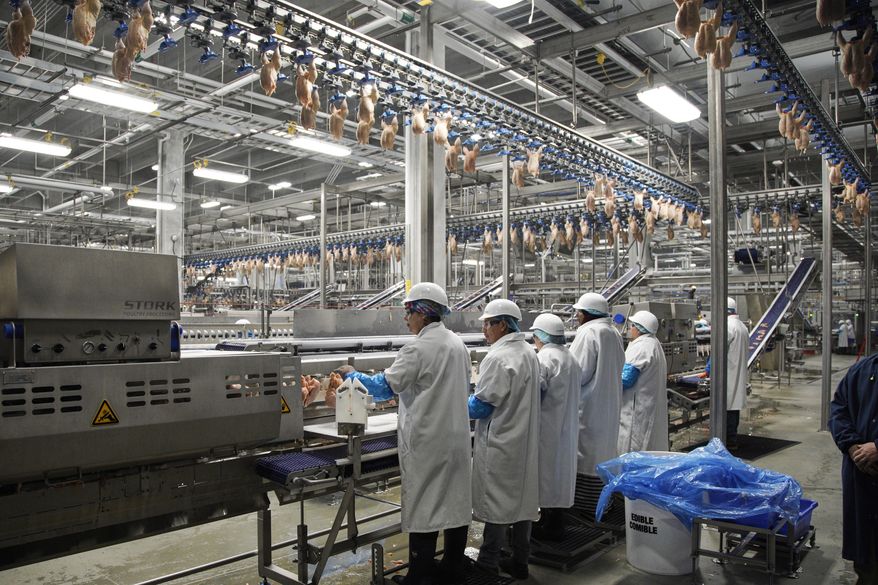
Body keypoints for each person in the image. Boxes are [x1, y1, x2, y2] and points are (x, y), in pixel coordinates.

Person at [334, 283, 472, 585]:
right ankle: (452, 568)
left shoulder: (418, 348)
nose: (406, 318)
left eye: (408, 312)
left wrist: (350, 375)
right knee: (455, 504)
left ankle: (420, 576)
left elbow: (384, 387)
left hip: (428, 442)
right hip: (456, 439)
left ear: (423, 314)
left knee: (425, 507)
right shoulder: (457, 343)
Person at [470, 299, 541, 580]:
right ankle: (520, 562)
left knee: (497, 503)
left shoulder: (498, 357)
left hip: (502, 440)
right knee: (522, 501)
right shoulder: (527, 351)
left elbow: (482, 406)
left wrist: (450, 404)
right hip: (522, 437)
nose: (485, 329)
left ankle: (487, 565)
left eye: (488, 323)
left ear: (502, 325)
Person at [528, 313, 580, 542]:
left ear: (539, 336)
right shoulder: (570, 357)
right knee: (561, 476)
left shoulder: (544, 358)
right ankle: (556, 522)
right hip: (567, 426)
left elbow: (534, 391)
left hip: (547, 427)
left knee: (546, 476)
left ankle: (548, 527)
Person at [829, 352, 878, 585]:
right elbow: (839, 410)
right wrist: (852, 446)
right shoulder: (863, 370)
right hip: (862, 478)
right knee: (866, 556)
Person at [568, 292, 625, 477]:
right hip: (609, 408)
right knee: (604, 457)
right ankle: (602, 503)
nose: (577, 317)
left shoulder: (588, 332)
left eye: (579, 313)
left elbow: (578, 373)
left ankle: (587, 504)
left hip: (589, 410)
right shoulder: (614, 332)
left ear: (585, 314)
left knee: (586, 462)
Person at [618, 310, 669, 454]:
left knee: (634, 447)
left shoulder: (641, 346)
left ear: (639, 329)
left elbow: (626, 379)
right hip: (647, 404)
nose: (630, 329)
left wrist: (605, 379)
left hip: (637, 408)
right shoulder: (654, 344)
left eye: (632, 326)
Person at [726, 296, 750, 447]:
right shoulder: (742, 326)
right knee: (733, 407)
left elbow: (718, 348)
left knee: (727, 407)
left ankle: (727, 441)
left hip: (728, 372)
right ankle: (731, 439)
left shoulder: (728, 326)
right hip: (738, 371)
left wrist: (709, 366)